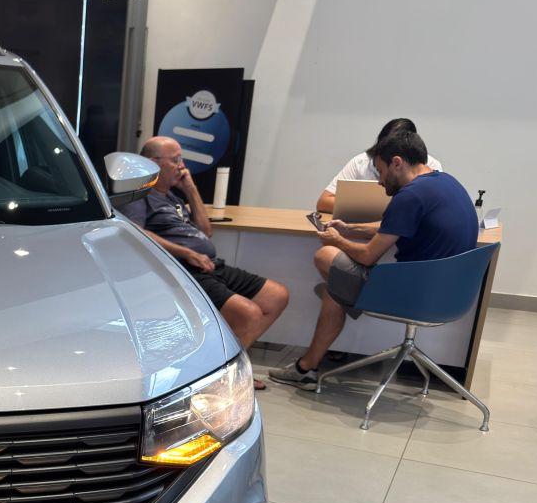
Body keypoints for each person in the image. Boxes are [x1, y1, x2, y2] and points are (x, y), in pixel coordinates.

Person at [269, 130, 478, 389]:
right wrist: (351, 228)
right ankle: (306, 366)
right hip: (452, 296)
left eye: (380, 171)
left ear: (397, 163)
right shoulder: (445, 182)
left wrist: (337, 240)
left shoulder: (410, 195)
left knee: (326, 257)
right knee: (335, 289)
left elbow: (368, 256)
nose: (379, 181)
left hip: (416, 298)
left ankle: (307, 366)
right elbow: (395, 227)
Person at [123, 137, 289, 387]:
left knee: (276, 296)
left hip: (209, 263)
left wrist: (191, 189)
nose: (182, 166)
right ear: (153, 163)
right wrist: (186, 252)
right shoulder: (141, 195)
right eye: (175, 160)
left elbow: (206, 230)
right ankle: (221, 379)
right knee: (250, 314)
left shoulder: (172, 197)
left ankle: (230, 369)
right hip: (184, 269)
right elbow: (136, 231)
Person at [316, 118, 443, 215]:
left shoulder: (428, 167)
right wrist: (374, 211)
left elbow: (433, 209)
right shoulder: (361, 162)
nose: (380, 181)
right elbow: (324, 202)